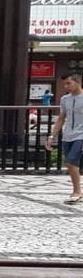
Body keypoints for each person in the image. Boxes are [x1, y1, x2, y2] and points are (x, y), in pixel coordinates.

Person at [44, 72, 83, 204]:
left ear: (78, 81)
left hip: (81, 135)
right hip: (68, 135)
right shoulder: (65, 99)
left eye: (68, 83)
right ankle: (77, 191)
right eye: (64, 84)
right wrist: (51, 136)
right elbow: (61, 118)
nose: (66, 86)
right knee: (72, 164)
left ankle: (77, 192)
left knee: (71, 162)